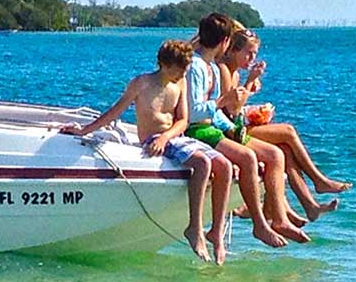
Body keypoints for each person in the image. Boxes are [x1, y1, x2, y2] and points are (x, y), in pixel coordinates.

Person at [61, 40, 233, 265]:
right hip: (153, 139)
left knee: (226, 166)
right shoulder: (141, 83)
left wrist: (166, 137)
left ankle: (216, 233)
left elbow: (183, 121)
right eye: (178, 68)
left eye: (184, 69)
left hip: (174, 138)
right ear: (164, 64)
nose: (182, 73)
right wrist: (83, 131)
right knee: (202, 163)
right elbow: (115, 111)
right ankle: (194, 226)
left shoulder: (179, 84)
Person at [185, 13, 310, 247]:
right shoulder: (198, 67)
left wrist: (232, 127)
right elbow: (197, 112)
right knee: (255, 156)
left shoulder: (210, 66)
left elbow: (220, 113)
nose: (251, 58)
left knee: (275, 153)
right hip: (197, 130)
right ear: (226, 43)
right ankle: (261, 223)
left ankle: (276, 215)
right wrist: (226, 102)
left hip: (214, 127)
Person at [219, 27, 352, 221]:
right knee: (288, 131)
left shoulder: (235, 73)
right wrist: (249, 82)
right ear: (233, 50)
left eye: (254, 54)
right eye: (248, 53)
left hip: (237, 126)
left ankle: (310, 205)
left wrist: (251, 93)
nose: (251, 58)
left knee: (286, 151)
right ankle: (319, 180)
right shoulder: (225, 70)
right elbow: (231, 108)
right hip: (229, 132)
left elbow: (236, 107)